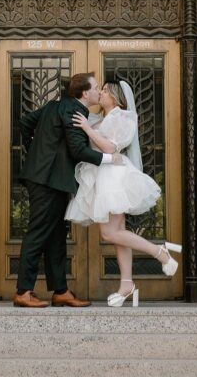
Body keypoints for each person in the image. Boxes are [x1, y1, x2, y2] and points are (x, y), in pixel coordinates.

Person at [66, 79, 182, 308]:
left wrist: (88, 129)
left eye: (106, 90)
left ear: (116, 97)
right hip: (102, 175)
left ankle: (159, 251)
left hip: (114, 177)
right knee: (118, 233)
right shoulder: (99, 119)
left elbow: (111, 147)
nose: (101, 92)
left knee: (109, 234)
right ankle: (126, 283)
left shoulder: (123, 116)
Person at [14, 72, 123, 308]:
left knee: (55, 235)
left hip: (50, 179)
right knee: (38, 233)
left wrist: (36, 151)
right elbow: (78, 151)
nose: (98, 91)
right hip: (47, 181)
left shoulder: (55, 105)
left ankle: (60, 290)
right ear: (85, 93)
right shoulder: (75, 112)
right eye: (95, 88)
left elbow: (25, 123)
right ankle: (23, 291)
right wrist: (109, 158)